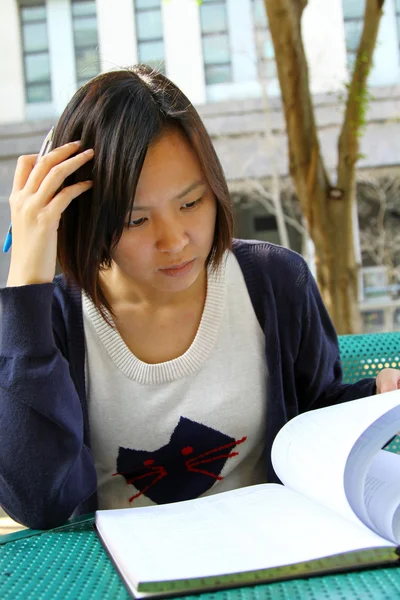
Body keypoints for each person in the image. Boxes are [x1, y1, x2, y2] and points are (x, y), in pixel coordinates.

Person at [0, 65, 399, 531]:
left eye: (191, 203)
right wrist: (25, 271)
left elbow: (309, 423)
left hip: (274, 552)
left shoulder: (274, 281)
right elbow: (38, 503)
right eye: (135, 220)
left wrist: (371, 398)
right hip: (122, 573)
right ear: (82, 214)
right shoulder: (52, 320)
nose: (175, 241)